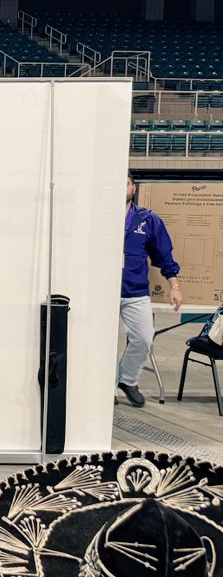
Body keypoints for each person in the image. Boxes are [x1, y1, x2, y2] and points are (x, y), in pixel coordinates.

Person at [116, 172, 182, 408]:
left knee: (144, 338)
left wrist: (174, 286)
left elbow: (164, 255)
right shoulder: (98, 218)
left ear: (133, 188)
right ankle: (104, 386)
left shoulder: (148, 219)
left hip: (135, 292)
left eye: (125, 183)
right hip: (102, 293)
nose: (120, 187)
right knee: (101, 343)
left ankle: (127, 380)